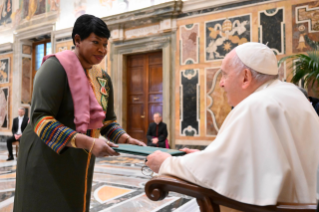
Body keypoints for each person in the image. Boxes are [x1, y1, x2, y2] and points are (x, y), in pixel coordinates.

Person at [146, 42, 319, 208]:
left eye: (225, 74)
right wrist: (206, 156)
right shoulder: (290, 93)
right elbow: (262, 164)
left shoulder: (256, 104)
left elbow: (216, 172)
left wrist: (166, 163)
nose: (221, 83)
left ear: (245, 77)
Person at [14, 14, 145, 212]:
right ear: (77, 40)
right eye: (95, 42)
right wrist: (89, 143)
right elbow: (41, 119)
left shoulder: (102, 79)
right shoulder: (54, 68)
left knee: (73, 202)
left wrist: (125, 139)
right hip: (45, 156)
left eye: (105, 44)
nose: (102, 49)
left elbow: (107, 121)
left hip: (79, 158)